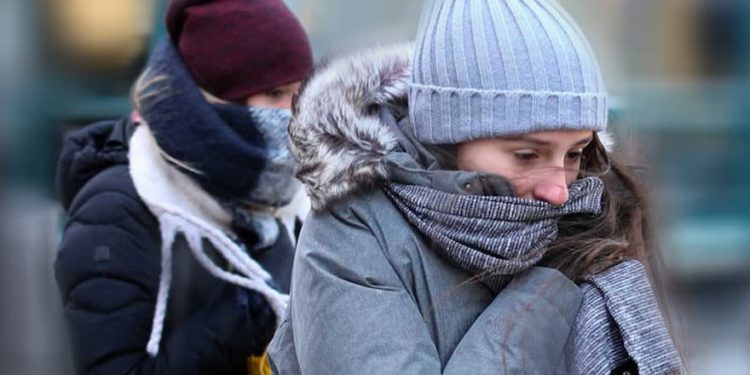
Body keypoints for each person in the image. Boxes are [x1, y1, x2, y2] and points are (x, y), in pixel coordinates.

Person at [267, 0, 683, 374]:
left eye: (573, 154)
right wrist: (546, 290)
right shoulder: (351, 231)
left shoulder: (590, 214)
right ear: (447, 135)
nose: (559, 192)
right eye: (526, 156)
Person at [54, 0, 313, 373]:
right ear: (215, 100)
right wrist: (234, 323)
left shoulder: (289, 200)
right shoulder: (117, 210)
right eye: (275, 94)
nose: (294, 112)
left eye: (300, 92)